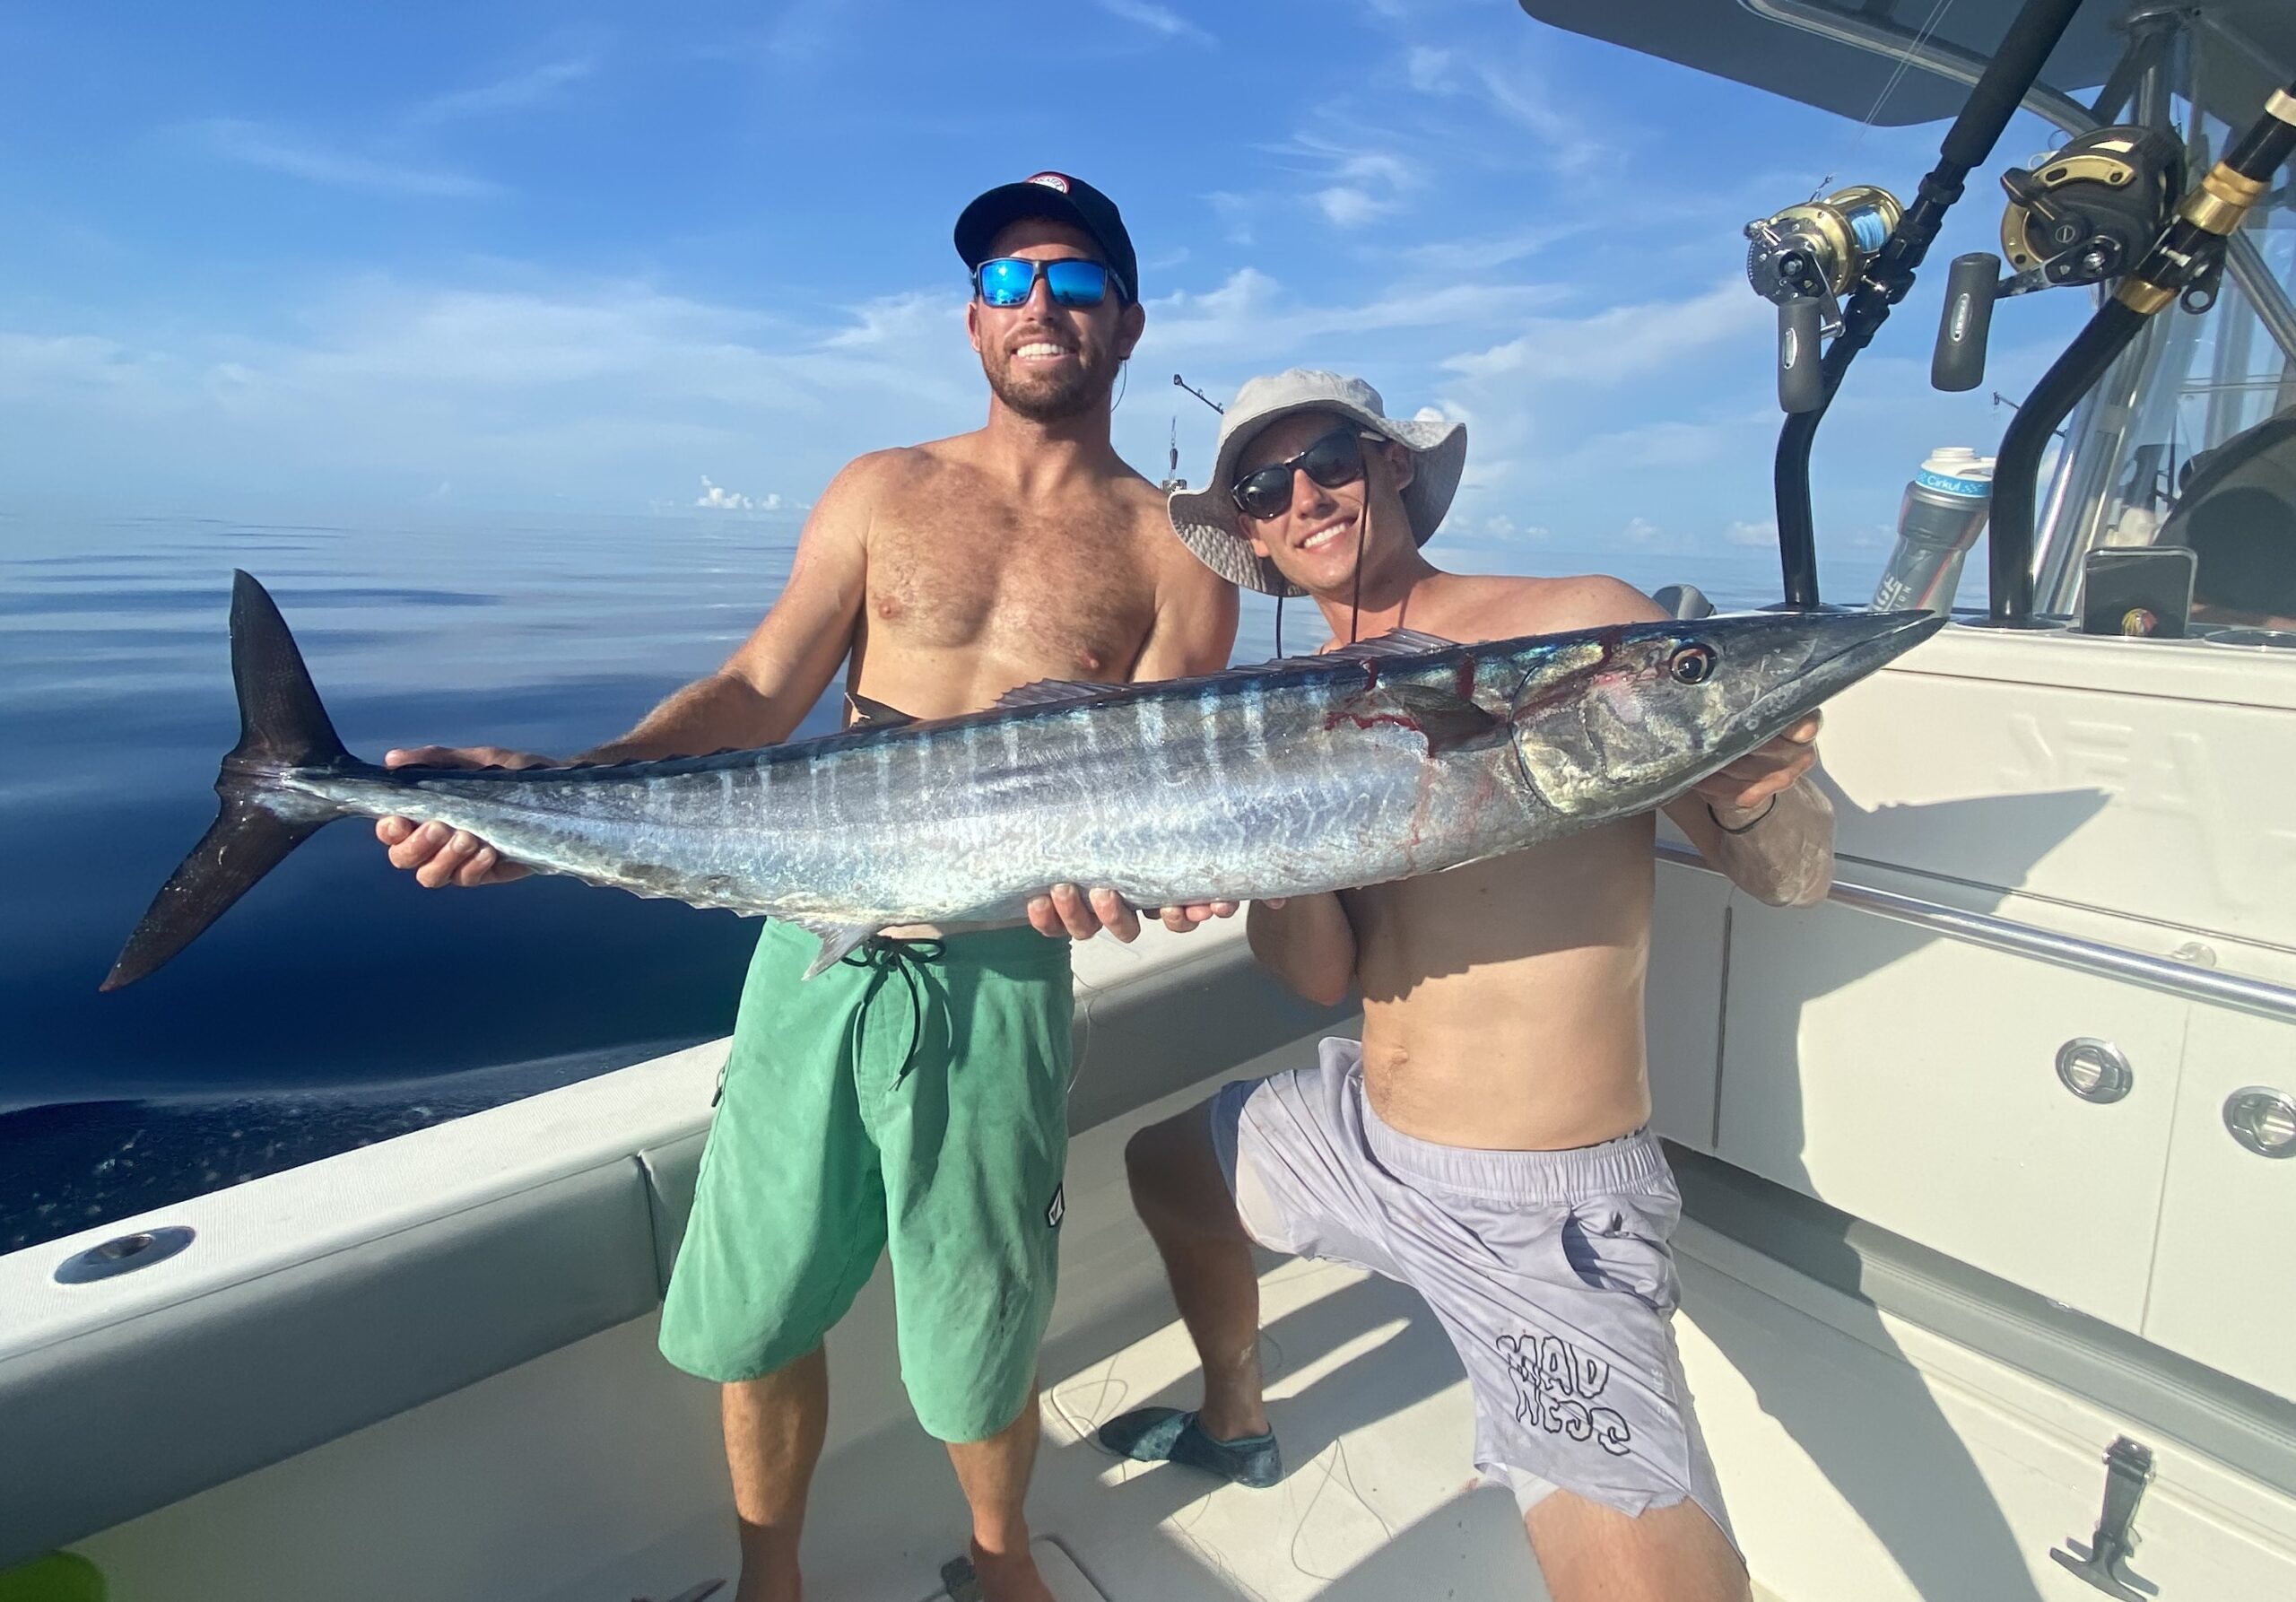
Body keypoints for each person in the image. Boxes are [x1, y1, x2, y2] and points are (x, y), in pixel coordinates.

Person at [373, 174, 1238, 1602]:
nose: (1041, 306)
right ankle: (770, 1577)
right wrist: (561, 791)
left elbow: (1152, 802)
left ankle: (1001, 1559)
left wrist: (1149, 883)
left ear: (1128, 325)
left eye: (1075, 284)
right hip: (813, 953)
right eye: (1011, 283)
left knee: (979, 1315)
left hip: (1001, 971)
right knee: (762, 1305)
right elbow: (761, 689)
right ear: (971, 322)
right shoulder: (882, 489)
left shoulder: (1178, 552)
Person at [1099, 370, 1830, 1602]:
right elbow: (1319, 972)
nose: (1303, 496)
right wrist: (1262, 862)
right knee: (1167, 1168)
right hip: (1363, 1133)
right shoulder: (1282, 708)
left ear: (1392, 464)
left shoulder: (1582, 623)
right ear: (1258, 535)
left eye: (1327, 457)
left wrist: (1756, 790)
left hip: (1536, 1205)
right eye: (1265, 490)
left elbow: (1794, 877)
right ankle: (1238, 1416)